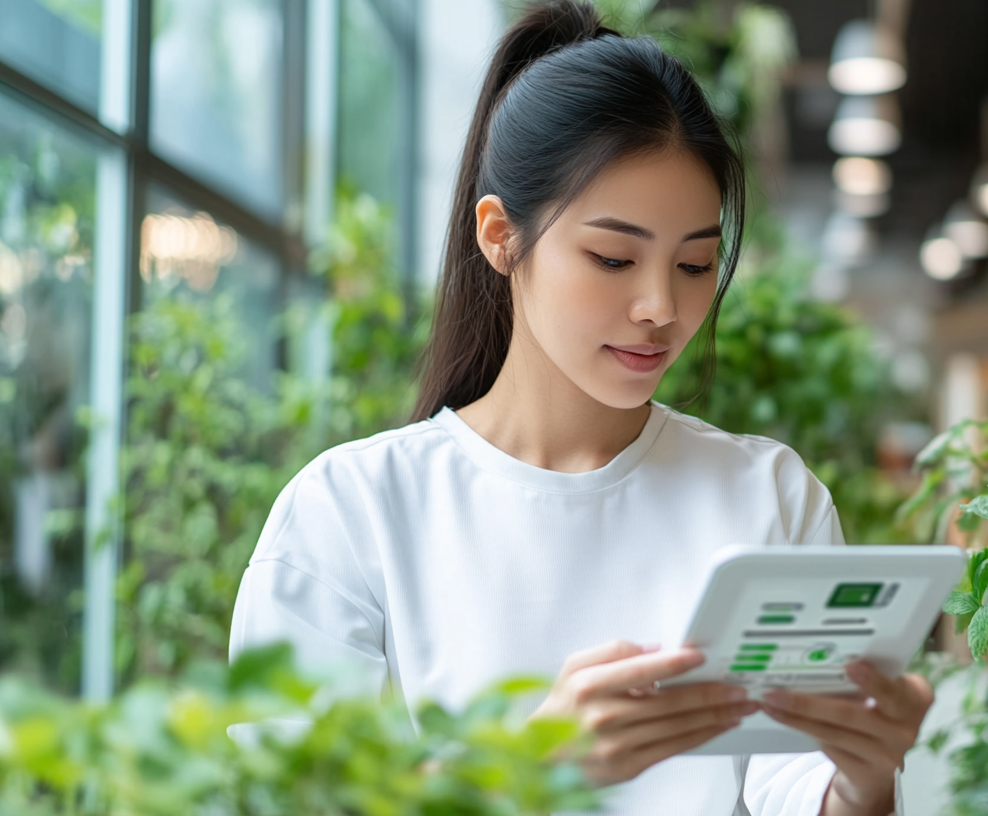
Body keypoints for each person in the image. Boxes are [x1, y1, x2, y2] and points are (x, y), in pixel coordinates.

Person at [227, 2, 932, 813]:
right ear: (500, 235)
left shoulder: (767, 495)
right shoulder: (349, 514)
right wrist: (528, 766)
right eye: (612, 257)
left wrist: (864, 777)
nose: (660, 307)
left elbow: (806, 790)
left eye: (697, 264)